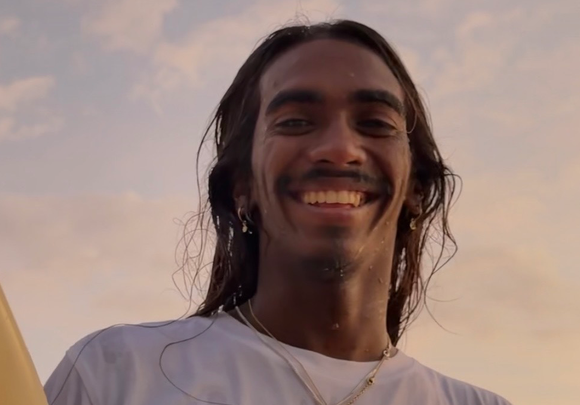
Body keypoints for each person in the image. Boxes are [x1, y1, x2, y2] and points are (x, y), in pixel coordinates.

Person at [43, 19, 511, 405]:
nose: (340, 149)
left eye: (375, 123)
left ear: (416, 186)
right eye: (295, 122)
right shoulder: (115, 373)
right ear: (242, 185)